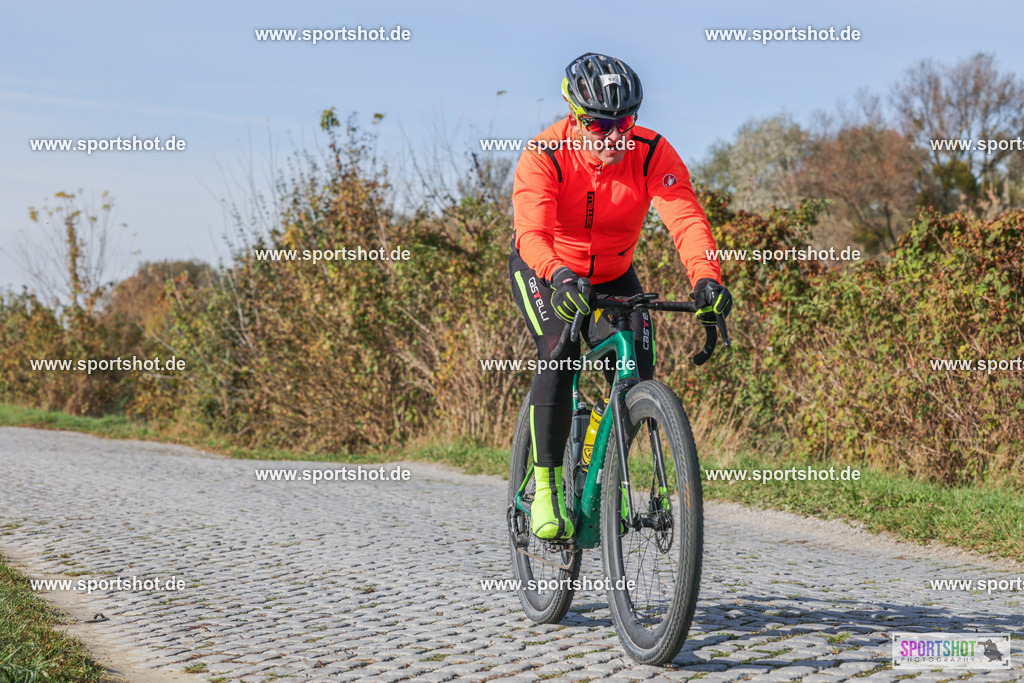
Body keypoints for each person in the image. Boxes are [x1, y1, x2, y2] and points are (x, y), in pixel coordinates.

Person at [509, 52, 732, 540]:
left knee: (636, 376)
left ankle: (593, 456)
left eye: (625, 122)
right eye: (600, 125)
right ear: (574, 116)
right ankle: (545, 485)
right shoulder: (544, 154)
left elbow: (685, 218)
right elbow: (531, 232)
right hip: (546, 268)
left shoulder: (652, 152)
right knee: (559, 351)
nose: (614, 136)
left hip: (613, 275)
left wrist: (706, 279)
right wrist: (559, 275)